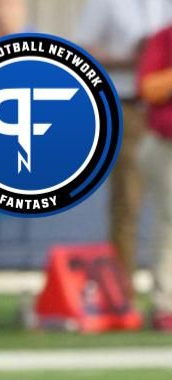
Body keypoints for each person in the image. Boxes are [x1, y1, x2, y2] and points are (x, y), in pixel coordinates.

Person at [76, 0, 172, 289]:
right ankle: (121, 292)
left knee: (168, 212)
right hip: (127, 103)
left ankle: (163, 292)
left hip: (165, 111)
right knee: (128, 204)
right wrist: (133, 59)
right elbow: (82, 48)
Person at [130, 13, 172, 329]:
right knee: (170, 222)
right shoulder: (164, 38)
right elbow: (149, 88)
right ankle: (164, 305)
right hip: (165, 144)